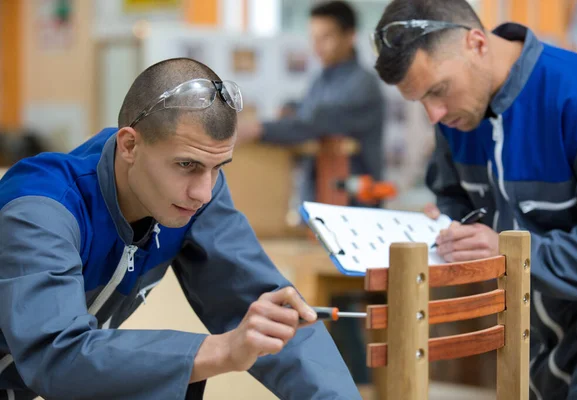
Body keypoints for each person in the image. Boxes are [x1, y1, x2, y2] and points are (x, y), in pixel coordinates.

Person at [0, 58, 361, 400]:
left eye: (218, 166)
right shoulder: (40, 209)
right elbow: (57, 356)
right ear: (129, 145)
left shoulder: (192, 195)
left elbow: (262, 309)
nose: (203, 192)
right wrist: (220, 349)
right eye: (187, 164)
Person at [372, 0, 577, 398]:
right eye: (419, 101)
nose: (434, 115)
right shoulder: (457, 117)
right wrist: (447, 225)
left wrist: (511, 254)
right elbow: (453, 199)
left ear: (477, 43)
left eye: (438, 91)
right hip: (529, 344)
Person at [237, 0, 385, 206]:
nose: (317, 45)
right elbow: (307, 112)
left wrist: (257, 128)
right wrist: (292, 108)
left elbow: (315, 122)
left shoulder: (362, 84)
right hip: (320, 200)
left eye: (326, 37)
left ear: (350, 36)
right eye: (313, 37)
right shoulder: (320, 79)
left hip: (354, 205)